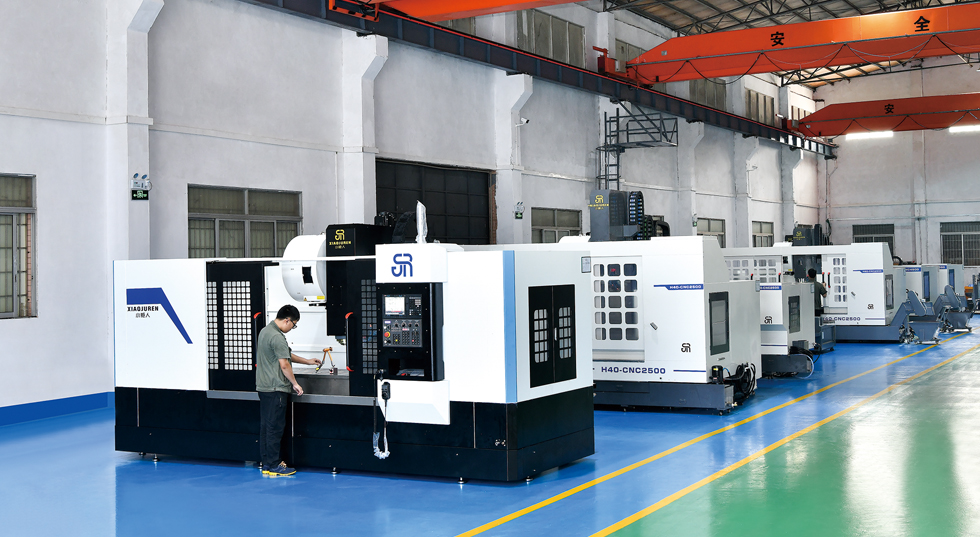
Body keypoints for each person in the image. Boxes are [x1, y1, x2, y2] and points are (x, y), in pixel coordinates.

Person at [256, 305, 321, 477]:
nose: (292, 327)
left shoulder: (265, 331)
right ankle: (275, 465)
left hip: (264, 388)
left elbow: (285, 354)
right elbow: (284, 364)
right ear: (287, 320)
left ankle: (267, 463)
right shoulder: (277, 337)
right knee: (275, 428)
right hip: (276, 388)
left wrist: (308, 361)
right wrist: (295, 384)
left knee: (266, 427)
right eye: (294, 324)